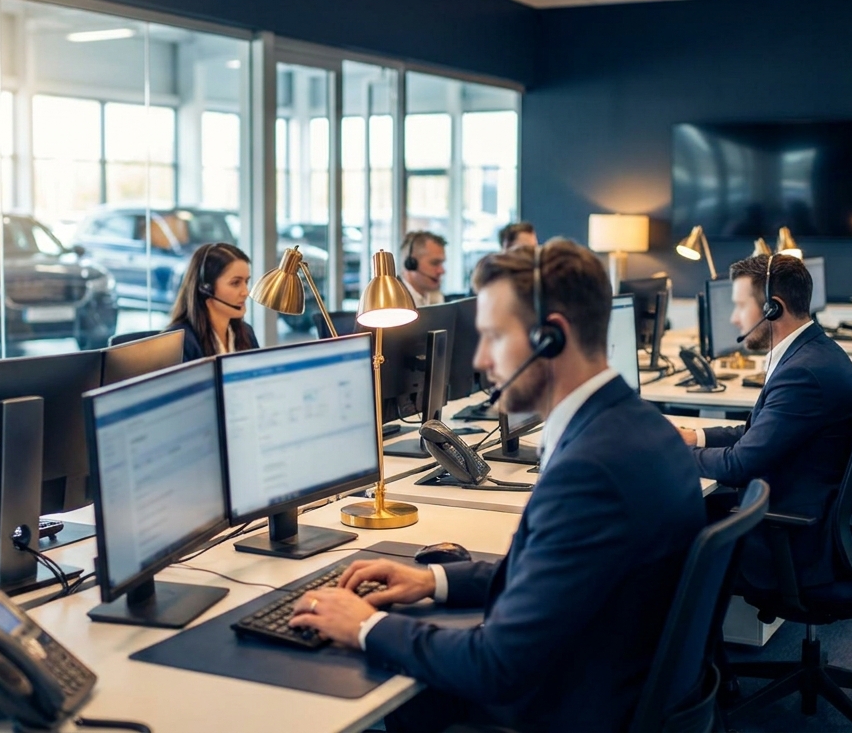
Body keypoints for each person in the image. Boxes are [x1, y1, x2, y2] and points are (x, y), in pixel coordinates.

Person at [289, 239, 706, 732]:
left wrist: (365, 625)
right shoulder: (641, 428)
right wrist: (433, 580)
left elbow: (497, 666)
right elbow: (553, 579)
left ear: (551, 337)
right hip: (611, 683)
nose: (482, 359)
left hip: (562, 710)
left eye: (494, 336)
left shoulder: (590, 470)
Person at [678, 254, 852, 590]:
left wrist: (666, 454)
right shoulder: (814, 352)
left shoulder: (803, 373)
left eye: (739, 306)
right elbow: (759, 433)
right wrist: (696, 437)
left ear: (772, 309)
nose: (734, 319)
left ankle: (685, 639)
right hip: (801, 506)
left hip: (792, 535)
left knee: (663, 519)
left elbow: (738, 464)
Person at [165, 242, 259, 362]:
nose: (246, 292)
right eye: (235, 283)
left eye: (246, 282)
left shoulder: (246, 333)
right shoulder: (181, 343)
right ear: (206, 288)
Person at [399, 230, 447, 307]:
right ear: (411, 264)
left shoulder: (435, 296)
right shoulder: (393, 301)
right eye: (434, 263)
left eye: (441, 263)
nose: (442, 271)